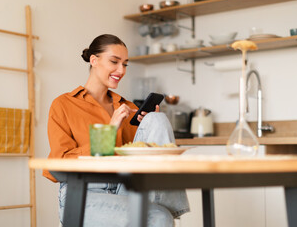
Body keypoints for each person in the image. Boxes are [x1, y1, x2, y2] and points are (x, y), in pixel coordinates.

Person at [43, 34, 190, 227]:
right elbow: (57, 168)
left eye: (125, 64)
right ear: (94, 60)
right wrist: (109, 130)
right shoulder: (63, 104)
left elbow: (141, 160)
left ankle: (165, 205)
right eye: (114, 62)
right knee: (159, 216)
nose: (121, 70)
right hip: (84, 193)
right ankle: (167, 209)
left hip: (126, 187)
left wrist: (149, 127)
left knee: (157, 119)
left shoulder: (127, 108)